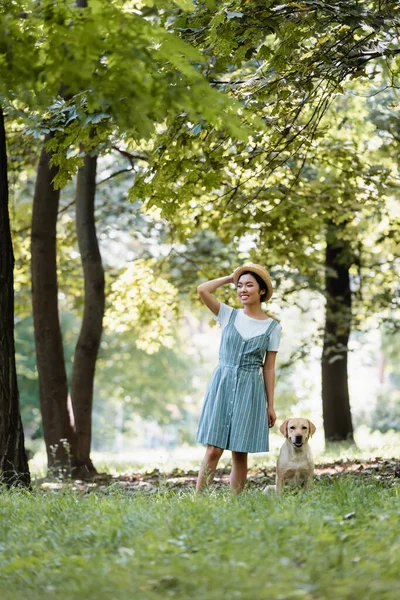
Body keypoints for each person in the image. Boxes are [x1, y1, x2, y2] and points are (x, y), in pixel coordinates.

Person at [195, 264, 281, 494]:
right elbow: (202, 290)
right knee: (213, 448)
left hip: (249, 387)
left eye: (249, 285)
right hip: (222, 383)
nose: (242, 289)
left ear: (261, 291)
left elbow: (269, 367)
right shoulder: (227, 314)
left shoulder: (272, 327)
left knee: (240, 451)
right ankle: (198, 500)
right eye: (239, 286)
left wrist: (270, 405)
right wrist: (229, 278)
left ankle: (236, 503)